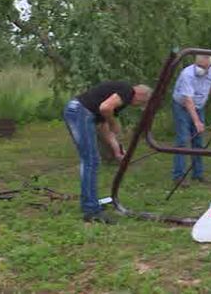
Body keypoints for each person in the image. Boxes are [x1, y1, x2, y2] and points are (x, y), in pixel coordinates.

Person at [64, 82, 152, 224]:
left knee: (91, 160)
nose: (135, 106)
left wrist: (117, 150)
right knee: (90, 161)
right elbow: (105, 109)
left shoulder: (118, 97)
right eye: (141, 103)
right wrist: (114, 122)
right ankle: (91, 210)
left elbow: (102, 125)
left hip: (78, 111)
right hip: (79, 111)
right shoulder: (127, 91)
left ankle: (90, 203)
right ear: (140, 96)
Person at [171, 55, 211, 183]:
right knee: (183, 140)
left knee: (198, 141)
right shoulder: (187, 75)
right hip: (182, 106)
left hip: (199, 106)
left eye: (206, 67)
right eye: (200, 66)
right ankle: (179, 176)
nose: (203, 70)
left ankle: (198, 173)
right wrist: (197, 121)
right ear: (195, 63)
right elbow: (188, 100)